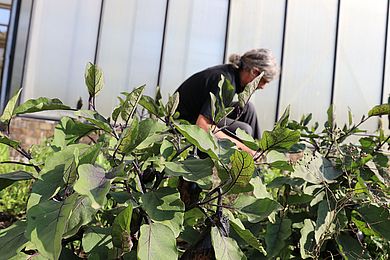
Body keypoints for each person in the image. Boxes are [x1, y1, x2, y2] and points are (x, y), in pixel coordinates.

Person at [175, 48, 279, 157]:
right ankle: (247, 159)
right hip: (183, 124)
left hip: (197, 114)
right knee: (244, 130)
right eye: (264, 81)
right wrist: (245, 149)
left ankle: (260, 155)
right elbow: (203, 125)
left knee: (248, 109)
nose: (262, 87)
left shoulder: (230, 74)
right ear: (254, 72)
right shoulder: (225, 83)